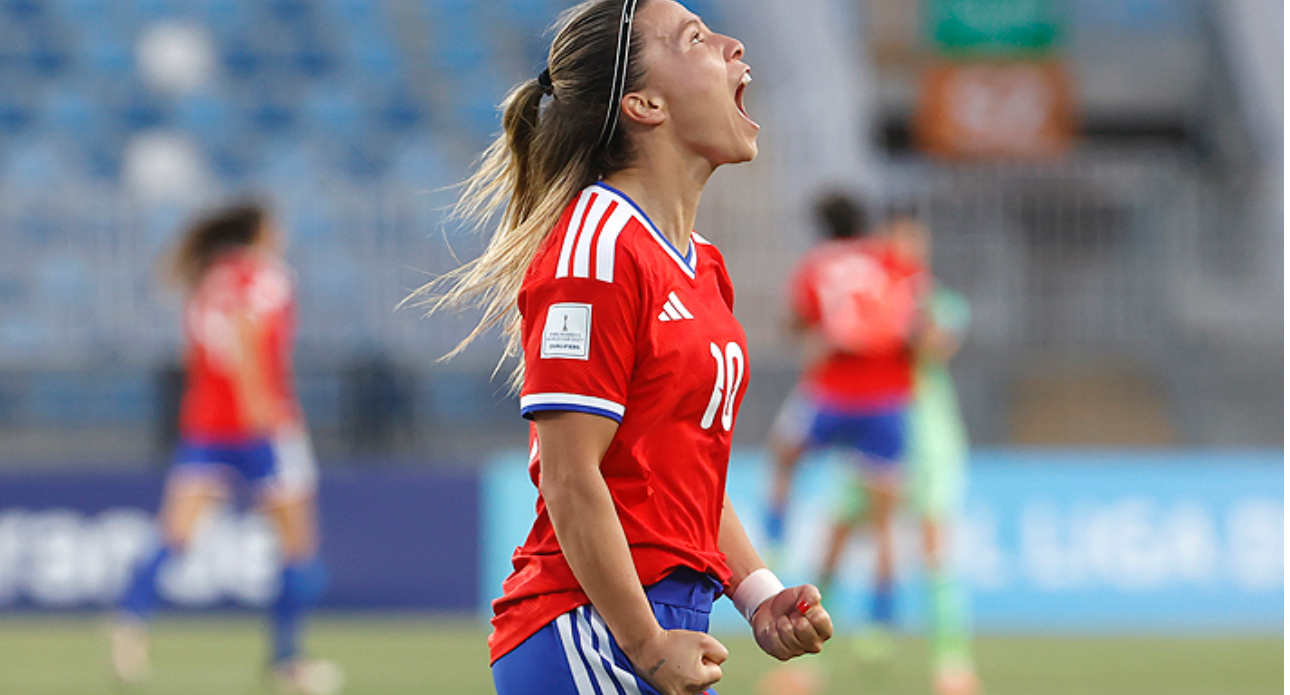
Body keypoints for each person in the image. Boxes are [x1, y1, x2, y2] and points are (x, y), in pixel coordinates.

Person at [415, 2, 833, 693]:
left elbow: (682, 476)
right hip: (591, 630)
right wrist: (645, 642)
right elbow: (569, 475)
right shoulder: (596, 250)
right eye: (695, 38)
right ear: (644, 103)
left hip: (650, 627)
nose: (733, 44)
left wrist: (757, 594)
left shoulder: (702, 263)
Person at [111, 204, 339, 695]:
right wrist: (258, 403)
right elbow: (247, 333)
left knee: (174, 535)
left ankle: (130, 621)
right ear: (260, 232)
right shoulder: (266, 276)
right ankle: (288, 660)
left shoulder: (206, 278)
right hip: (262, 427)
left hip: (206, 426)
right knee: (298, 546)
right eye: (276, 226)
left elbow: (193, 351)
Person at [764, 194, 928, 652]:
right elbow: (918, 322)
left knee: (784, 455)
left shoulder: (819, 263)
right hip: (888, 398)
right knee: (884, 518)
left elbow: (798, 320)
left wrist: (812, 334)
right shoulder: (893, 262)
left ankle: (775, 539)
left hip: (833, 391)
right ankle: (881, 624)